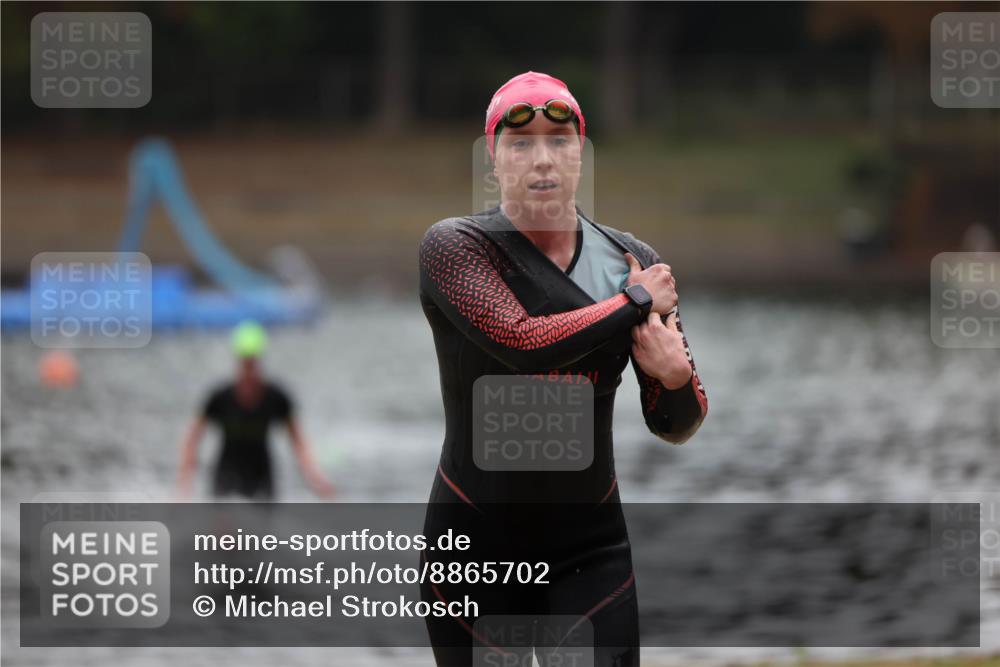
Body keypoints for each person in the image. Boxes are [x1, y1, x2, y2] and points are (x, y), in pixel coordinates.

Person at [417, 71, 708, 666]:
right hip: (475, 547)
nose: (542, 159)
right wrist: (632, 303)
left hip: (590, 550)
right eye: (520, 144)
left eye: (560, 139)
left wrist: (675, 379)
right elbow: (522, 343)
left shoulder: (632, 261)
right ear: (494, 159)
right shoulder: (456, 247)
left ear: (582, 152)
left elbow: (675, 423)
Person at [176, 320, 333, 500]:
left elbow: (298, 443)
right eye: (245, 363)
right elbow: (192, 441)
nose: (249, 369)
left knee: (263, 527)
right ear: (237, 361)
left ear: (260, 361)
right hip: (226, 475)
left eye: (253, 362)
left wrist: (316, 478)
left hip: (262, 476)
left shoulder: (277, 398)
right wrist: (183, 488)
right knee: (222, 525)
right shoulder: (219, 398)